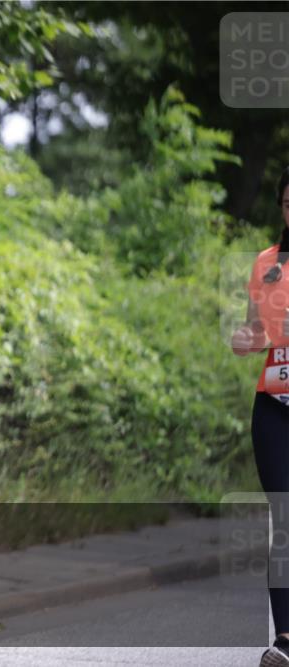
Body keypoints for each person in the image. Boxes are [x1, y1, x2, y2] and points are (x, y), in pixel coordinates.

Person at [231, 166, 289, 667]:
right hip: (273, 405)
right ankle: (286, 640)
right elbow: (257, 332)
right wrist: (248, 340)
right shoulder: (268, 263)